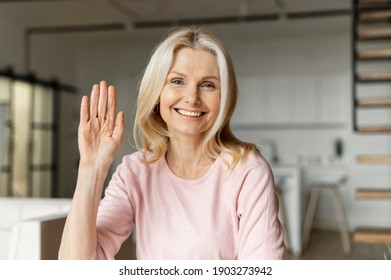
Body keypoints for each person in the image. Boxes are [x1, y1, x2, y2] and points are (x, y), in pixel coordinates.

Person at [59, 26, 285, 260]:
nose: (192, 97)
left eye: (208, 84)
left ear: (224, 97)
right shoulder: (135, 172)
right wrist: (91, 170)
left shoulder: (248, 172)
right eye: (177, 81)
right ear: (157, 94)